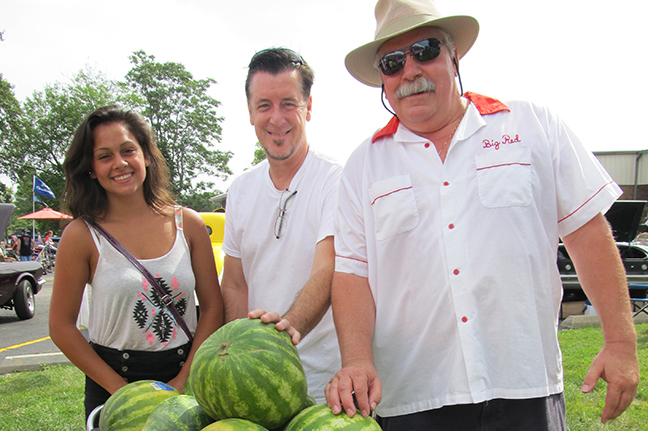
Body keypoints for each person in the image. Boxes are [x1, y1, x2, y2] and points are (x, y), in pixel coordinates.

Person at [325, 0, 639, 429]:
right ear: (382, 78)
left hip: (525, 385)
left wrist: (620, 340)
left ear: (454, 56)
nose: (410, 71)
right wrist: (358, 359)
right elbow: (351, 273)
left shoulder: (531, 124)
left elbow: (586, 233)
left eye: (426, 49)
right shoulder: (363, 164)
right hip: (414, 396)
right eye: (393, 62)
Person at [49, 105, 224, 420]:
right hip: (113, 384)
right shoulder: (81, 235)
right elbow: (61, 326)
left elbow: (212, 307)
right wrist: (122, 391)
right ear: (90, 169)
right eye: (104, 156)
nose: (119, 163)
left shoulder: (189, 223)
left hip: (186, 376)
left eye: (128, 150)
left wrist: (183, 381)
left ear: (145, 155)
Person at [221, 48, 342, 403]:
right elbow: (234, 282)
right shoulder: (240, 189)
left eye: (288, 103)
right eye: (264, 105)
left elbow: (328, 270)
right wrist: (235, 355)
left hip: (323, 385)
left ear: (308, 107)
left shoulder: (336, 179)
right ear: (249, 112)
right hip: (254, 381)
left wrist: (285, 330)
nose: (276, 118)